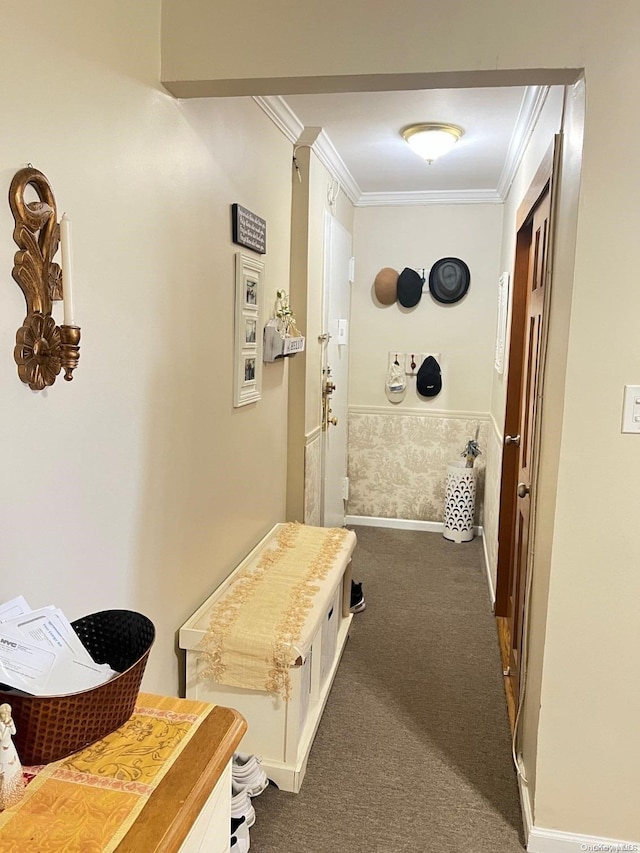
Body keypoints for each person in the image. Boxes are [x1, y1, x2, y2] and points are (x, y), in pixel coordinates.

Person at [0, 703, 25, 809]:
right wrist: (5, 728)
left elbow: (14, 732)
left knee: (10, 765)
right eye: (3, 714)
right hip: (1, 747)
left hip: (9, 746)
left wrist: (10, 725)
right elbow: (1, 737)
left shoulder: (9, 722)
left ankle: (9, 794)